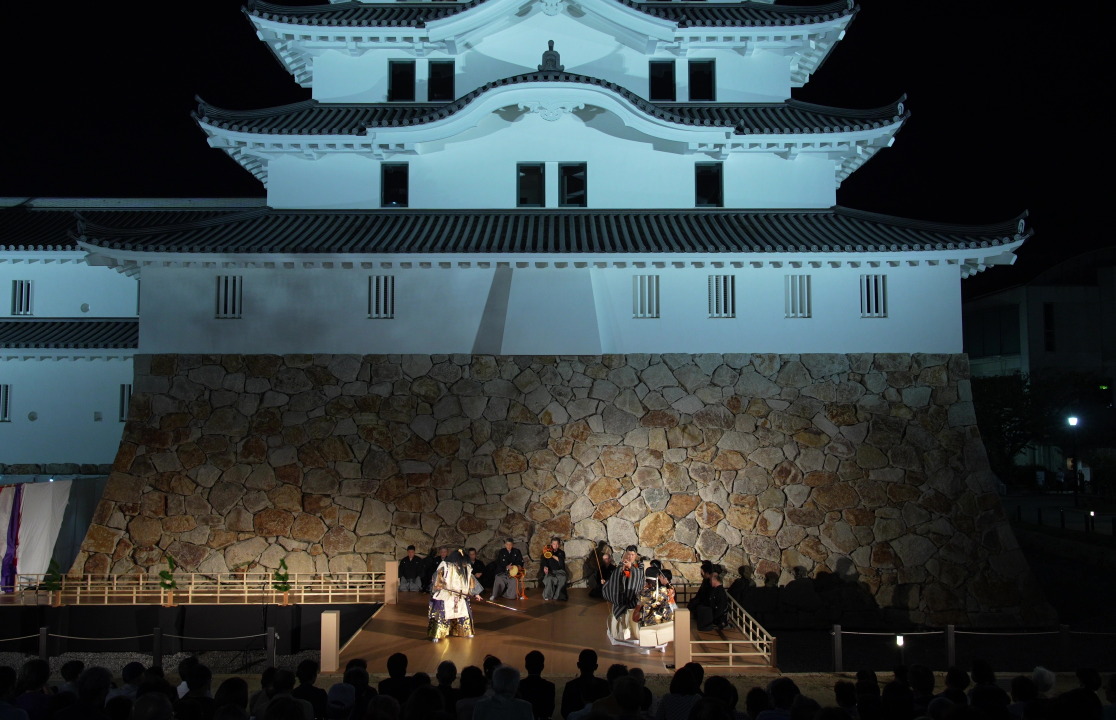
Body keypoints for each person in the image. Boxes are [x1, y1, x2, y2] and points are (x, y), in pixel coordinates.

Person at [429, 549, 482, 642]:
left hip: (460, 595)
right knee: (442, 614)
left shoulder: (466, 568)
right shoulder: (446, 567)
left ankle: (465, 631)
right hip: (447, 595)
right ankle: (437, 634)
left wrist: (476, 593)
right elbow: (437, 577)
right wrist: (439, 585)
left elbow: (471, 581)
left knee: (463, 613)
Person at [603, 545, 645, 645]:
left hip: (633, 599)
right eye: (629, 554)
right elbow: (614, 578)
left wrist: (631, 568)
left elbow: (640, 576)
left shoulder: (639, 566)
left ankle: (638, 635)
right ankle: (618, 636)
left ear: (636, 555)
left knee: (635, 623)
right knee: (619, 621)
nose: (630, 557)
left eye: (632, 554)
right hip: (621, 598)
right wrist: (621, 569)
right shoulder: (621, 565)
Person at [560, 650, 610, 720]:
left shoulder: (570, 686)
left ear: (578, 665)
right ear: (596, 666)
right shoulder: (605, 685)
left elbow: (565, 712)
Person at [516, 652, 554, 720]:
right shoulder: (549, 686)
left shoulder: (518, 685)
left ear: (526, 666)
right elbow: (549, 710)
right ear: (542, 667)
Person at [691, 565, 729, 631]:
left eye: (711, 580)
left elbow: (720, 608)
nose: (709, 582)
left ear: (715, 580)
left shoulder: (720, 592)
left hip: (717, 617)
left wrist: (712, 618)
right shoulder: (715, 590)